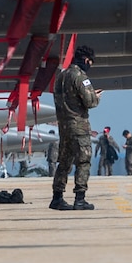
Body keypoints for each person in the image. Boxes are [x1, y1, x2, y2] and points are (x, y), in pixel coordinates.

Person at [48, 45, 99, 211]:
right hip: (79, 126)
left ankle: (57, 197)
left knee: (64, 161)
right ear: (86, 60)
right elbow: (90, 102)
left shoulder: (60, 77)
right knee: (83, 160)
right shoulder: (80, 77)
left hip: (64, 126)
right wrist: (96, 97)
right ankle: (80, 198)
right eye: (90, 62)